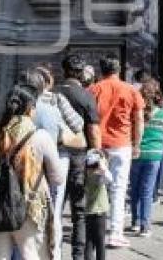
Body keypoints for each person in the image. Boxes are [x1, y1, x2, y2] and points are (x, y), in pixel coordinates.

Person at [0, 84, 64, 260]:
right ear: (29, 108)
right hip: (30, 206)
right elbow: (58, 178)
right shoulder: (40, 137)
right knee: (31, 254)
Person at [19, 64, 85, 260]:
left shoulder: (10, 107)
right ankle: (52, 254)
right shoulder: (52, 107)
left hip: (18, 169)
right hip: (48, 165)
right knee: (51, 213)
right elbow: (78, 127)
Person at [88, 56, 144, 249]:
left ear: (101, 69)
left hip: (99, 145)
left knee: (96, 188)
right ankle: (115, 233)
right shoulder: (131, 90)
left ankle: (95, 232)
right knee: (119, 189)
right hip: (122, 144)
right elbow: (139, 120)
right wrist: (137, 144)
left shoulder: (93, 89)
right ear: (119, 70)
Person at [55, 54, 102, 260]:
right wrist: (97, 157)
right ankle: (78, 255)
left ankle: (52, 252)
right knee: (79, 211)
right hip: (79, 157)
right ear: (82, 73)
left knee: (54, 207)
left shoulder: (52, 93)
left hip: (54, 155)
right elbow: (93, 131)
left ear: (63, 70)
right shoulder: (86, 96)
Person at [129, 79, 163, 237]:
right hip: (155, 153)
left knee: (135, 189)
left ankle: (135, 222)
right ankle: (145, 225)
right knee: (147, 190)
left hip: (136, 152)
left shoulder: (136, 111)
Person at [84, 149, 112, 260]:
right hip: (100, 213)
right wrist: (103, 168)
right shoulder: (99, 178)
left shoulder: (87, 176)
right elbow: (110, 178)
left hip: (89, 212)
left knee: (89, 242)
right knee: (100, 243)